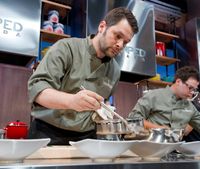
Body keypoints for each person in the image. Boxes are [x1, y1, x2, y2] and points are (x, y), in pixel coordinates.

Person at [28, 7, 139, 145]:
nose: (120, 45)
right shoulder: (67, 48)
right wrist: (72, 101)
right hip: (47, 133)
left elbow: (102, 104)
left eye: (126, 42)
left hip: (87, 138)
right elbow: (37, 90)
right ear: (102, 27)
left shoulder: (114, 70)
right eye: (117, 36)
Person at [128, 66, 200, 140]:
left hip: (174, 151)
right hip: (148, 149)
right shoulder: (154, 96)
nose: (192, 93)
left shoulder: (189, 107)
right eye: (190, 88)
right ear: (178, 82)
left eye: (194, 89)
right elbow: (132, 121)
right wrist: (158, 128)